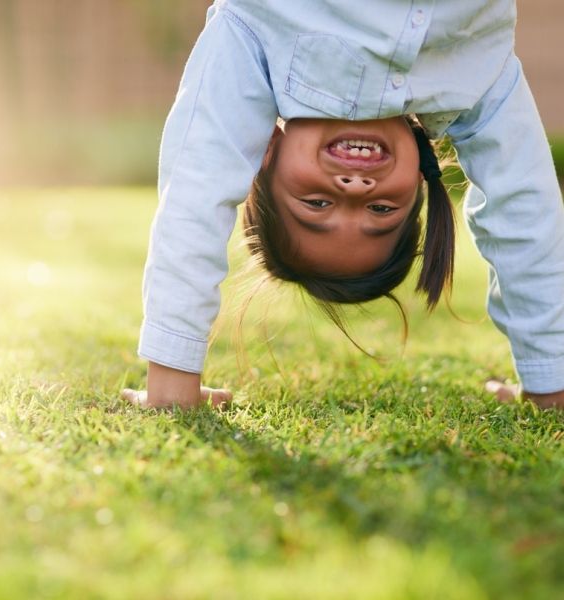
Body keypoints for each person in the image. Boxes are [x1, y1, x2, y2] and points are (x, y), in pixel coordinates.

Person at [122, 0, 564, 410]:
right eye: (382, 211)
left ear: (266, 155)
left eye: (316, 203)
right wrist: (551, 384)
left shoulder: (256, 25)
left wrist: (171, 383)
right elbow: (524, 211)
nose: (355, 188)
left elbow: (197, 189)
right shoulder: (475, 69)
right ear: (416, 184)